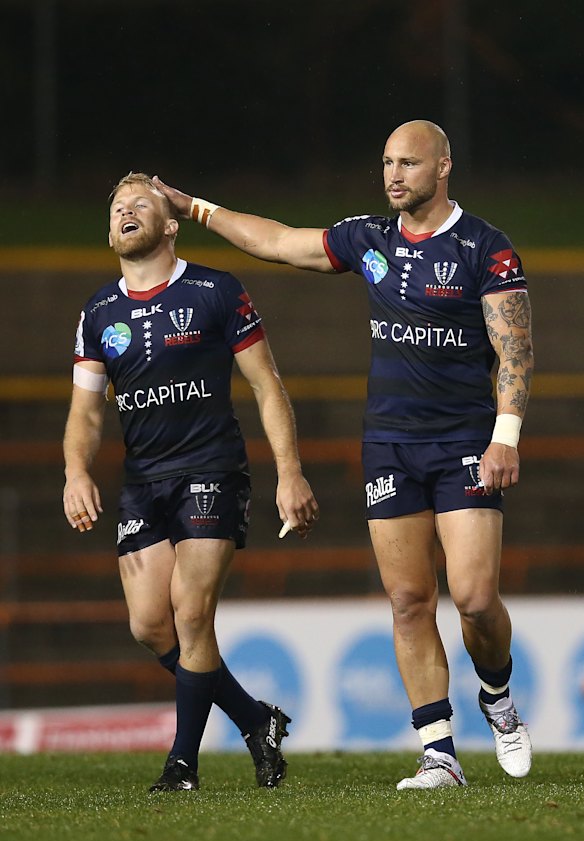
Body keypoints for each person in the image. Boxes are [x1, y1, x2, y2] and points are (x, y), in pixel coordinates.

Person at [153, 119, 534, 790]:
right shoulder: (370, 239)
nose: (394, 175)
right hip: (389, 444)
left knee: (474, 598)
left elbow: (516, 349)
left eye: (409, 163)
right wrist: (197, 209)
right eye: (387, 162)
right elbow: (277, 242)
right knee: (409, 599)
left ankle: (498, 697)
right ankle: (439, 753)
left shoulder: (485, 247)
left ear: (443, 168)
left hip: (467, 443)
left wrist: (506, 435)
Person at [63, 171, 319, 793]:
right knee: (150, 626)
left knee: (191, 613)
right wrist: (75, 471)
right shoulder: (99, 312)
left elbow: (266, 385)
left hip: (212, 471)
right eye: (117, 206)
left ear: (170, 225)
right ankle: (257, 720)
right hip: (143, 482)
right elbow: (87, 410)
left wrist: (290, 471)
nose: (126, 211)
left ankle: (182, 765)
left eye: (139, 204)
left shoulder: (216, 289)